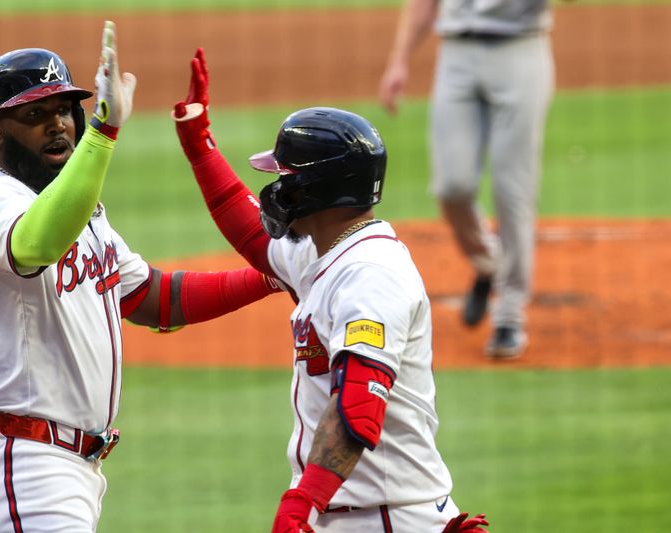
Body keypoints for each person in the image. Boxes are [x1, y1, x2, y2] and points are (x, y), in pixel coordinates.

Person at [0, 23, 281, 532]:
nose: (58, 124)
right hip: (19, 463)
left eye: (65, 110)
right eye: (35, 114)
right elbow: (35, 245)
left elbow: (154, 297)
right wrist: (104, 134)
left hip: (65, 467)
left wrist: (268, 278)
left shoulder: (85, 215)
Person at [171, 48, 488, 533]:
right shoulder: (324, 252)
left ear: (313, 188)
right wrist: (199, 143)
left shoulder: (370, 275)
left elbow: (358, 405)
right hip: (356, 515)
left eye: (283, 178)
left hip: (385, 520)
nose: (275, 190)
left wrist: (301, 502)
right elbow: (255, 237)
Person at [378, 0, 558, 359]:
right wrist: (399, 61)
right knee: (451, 186)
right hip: (457, 54)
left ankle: (509, 314)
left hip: (521, 49)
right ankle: (488, 262)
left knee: (513, 189)